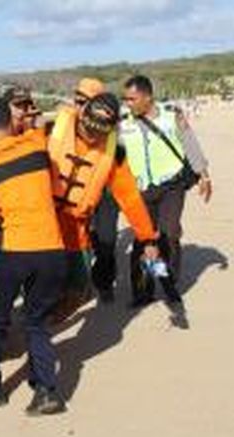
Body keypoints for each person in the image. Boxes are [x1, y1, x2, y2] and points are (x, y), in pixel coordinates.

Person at [0, 97, 68, 416]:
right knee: (36, 322)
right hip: (53, 249)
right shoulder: (37, 146)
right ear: (12, 121)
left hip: (15, 251)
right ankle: (46, 391)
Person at [47, 80, 159, 315]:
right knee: (38, 286)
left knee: (77, 289)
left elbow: (129, 198)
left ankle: (56, 316)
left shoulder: (114, 154)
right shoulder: (50, 130)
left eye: (98, 133)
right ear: (82, 114)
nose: (90, 136)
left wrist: (147, 238)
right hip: (42, 222)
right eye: (87, 129)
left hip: (76, 231)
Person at [119, 75, 213, 307]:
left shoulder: (172, 116)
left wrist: (203, 174)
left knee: (169, 232)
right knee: (143, 239)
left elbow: (190, 142)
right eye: (125, 99)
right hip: (139, 190)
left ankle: (169, 280)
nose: (127, 103)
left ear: (148, 97)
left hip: (171, 185)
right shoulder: (122, 123)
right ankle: (143, 290)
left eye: (132, 99)